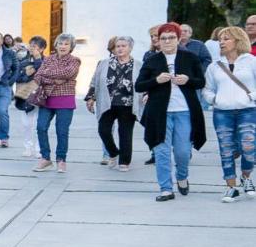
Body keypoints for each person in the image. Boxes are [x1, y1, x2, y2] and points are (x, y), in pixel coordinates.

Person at [138, 22, 207, 201]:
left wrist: (188, 79)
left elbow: (200, 82)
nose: (167, 41)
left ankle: (182, 176)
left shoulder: (190, 57)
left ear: (178, 39)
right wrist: (156, 80)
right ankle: (165, 188)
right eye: (163, 38)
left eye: (171, 37)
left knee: (183, 152)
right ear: (158, 41)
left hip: (184, 111)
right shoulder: (152, 60)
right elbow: (139, 85)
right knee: (161, 151)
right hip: (159, 113)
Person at [205, 25, 256, 200]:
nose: (222, 42)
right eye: (220, 39)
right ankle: (231, 187)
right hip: (222, 113)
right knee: (226, 150)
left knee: (249, 147)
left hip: (247, 110)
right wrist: (214, 100)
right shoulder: (215, 66)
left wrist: (252, 96)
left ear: (238, 40)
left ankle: (246, 177)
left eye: (226, 38)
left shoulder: (251, 61)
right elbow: (207, 90)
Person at [85, 36, 138, 171]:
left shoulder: (138, 65)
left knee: (125, 133)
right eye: (117, 46)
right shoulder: (104, 63)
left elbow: (143, 82)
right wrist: (91, 97)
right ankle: (113, 153)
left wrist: (147, 94)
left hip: (127, 104)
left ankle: (124, 162)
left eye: (123, 46)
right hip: (107, 102)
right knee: (103, 130)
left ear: (130, 48)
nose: (120, 48)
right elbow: (94, 81)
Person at [31, 34, 81, 173]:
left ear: (71, 47)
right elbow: (38, 76)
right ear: (56, 45)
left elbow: (68, 73)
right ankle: (45, 158)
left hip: (65, 99)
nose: (63, 46)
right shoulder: (48, 59)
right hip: (47, 99)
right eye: (60, 43)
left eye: (66, 44)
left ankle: (61, 160)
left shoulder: (75, 60)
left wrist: (48, 75)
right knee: (41, 127)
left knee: (62, 131)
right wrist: (54, 79)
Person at [11, 37, 46, 158]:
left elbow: (42, 73)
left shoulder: (46, 61)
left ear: (42, 49)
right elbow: (17, 76)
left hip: (40, 96)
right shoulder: (23, 60)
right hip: (25, 95)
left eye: (35, 46)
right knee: (26, 124)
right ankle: (27, 147)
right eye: (31, 45)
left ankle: (38, 149)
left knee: (39, 125)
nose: (32, 48)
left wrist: (36, 61)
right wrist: (26, 74)